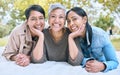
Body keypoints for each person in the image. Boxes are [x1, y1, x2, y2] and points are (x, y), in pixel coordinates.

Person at [66, 7, 119, 72]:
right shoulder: (71, 37)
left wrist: (103, 65)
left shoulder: (100, 35)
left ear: (84, 19)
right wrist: (71, 37)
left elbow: (114, 62)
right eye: (68, 21)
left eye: (74, 19)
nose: (71, 24)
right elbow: (74, 59)